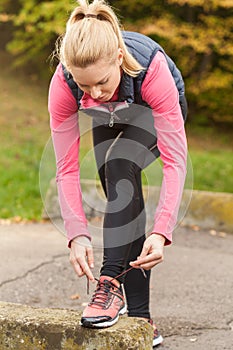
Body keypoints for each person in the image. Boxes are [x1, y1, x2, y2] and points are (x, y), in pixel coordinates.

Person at [48, 0, 187, 347]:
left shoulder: (151, 71)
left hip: (150, 110)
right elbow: (65, 168)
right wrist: (76, 234)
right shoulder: (66, 84)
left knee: (120, 165)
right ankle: (141, 320)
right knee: (119, 191)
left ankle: (109, 284)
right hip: (110, 116)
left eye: (101, 82)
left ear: (119, 60)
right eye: (84, 86)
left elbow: (175, 162)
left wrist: (162, 231)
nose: (92, 94)